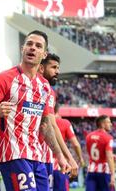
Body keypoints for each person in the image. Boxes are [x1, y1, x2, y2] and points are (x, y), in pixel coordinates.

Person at [0, 30, 71, 191]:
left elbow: (46, 126)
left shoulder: (45, 87)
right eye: (29, 44)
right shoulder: (4, 78)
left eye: (38, 46)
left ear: (44, 54)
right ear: (22, 48)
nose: (32, 48)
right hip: (13, 153)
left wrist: (60, 156)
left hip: (37, 156)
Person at [38, 53, 82, 191]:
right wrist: (71, 158)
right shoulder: (46, 91)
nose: (57, 71)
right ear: (41, 68)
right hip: (43, 158)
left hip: (38, 156)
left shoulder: (32, 86)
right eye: (54, 67)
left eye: (58, 68)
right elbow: (51, 126)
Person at [85, 115, 115, 191]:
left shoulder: (89, 136)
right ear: (102, 124)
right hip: (104, 171)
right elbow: (109, 157)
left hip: (91, 171)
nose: (111, 124)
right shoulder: (108, 137)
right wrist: (113, 175)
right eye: (108, 122)